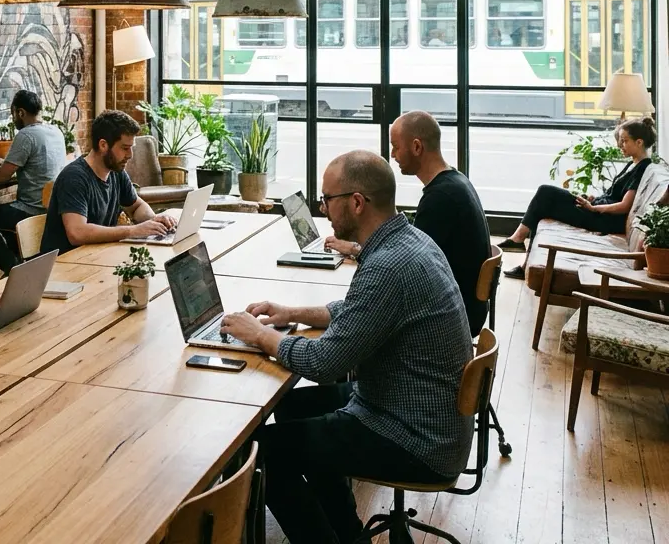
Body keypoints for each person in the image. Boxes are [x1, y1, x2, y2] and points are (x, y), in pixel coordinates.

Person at [221, 151, 473, 544]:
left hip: (414, 437)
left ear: (356, 202)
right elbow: (360, 310)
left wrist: (260, 335)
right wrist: (292, 312)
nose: (323, 209)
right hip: (422, 414)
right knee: (291, 407)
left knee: (265, 453)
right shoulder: (409, 241)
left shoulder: (387, 266)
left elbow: (324, 363)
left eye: (327, 199)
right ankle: (348, 534)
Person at [500, 116, 655, 279]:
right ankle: (520, 251)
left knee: (545, 195)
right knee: (545, 196)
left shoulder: (642, 168)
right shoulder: (633, 164)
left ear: (639, 142)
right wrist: (594, 199)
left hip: (603, 220)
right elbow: (614, 195)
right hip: (598, 211)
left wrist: (593, 208)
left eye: (624, 141)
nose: (619, 145)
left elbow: (624, 206)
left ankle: (518, 242)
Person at [390, 110, 490, 335]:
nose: (393, 154)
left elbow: (406, 264)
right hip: (470, 307)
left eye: (395, 146)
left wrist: (358, 248)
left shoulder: (440, 198)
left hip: (454, 316)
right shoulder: (456, 180)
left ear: (417, 147)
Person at [40, 110, 176, 254]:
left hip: (96, 255)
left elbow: (136, 207)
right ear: (103, 145)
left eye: (131, 148)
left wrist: (155, 220)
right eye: (125, 148)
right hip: (65, 262)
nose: (130, 155)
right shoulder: (74, 177)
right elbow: (77, 233)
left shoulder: (116, 172)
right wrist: (132, 231)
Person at [0, 89, 67, 274]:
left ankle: (13, 269)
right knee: (3, 219)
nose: (13, 118)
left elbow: (2, 177)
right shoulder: (55, 131)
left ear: (21, 112)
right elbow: (34, 164)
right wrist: (5, 163)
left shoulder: (26, 135)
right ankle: (21, 265)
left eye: (13, 113)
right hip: (51, 208)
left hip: (31, 209)